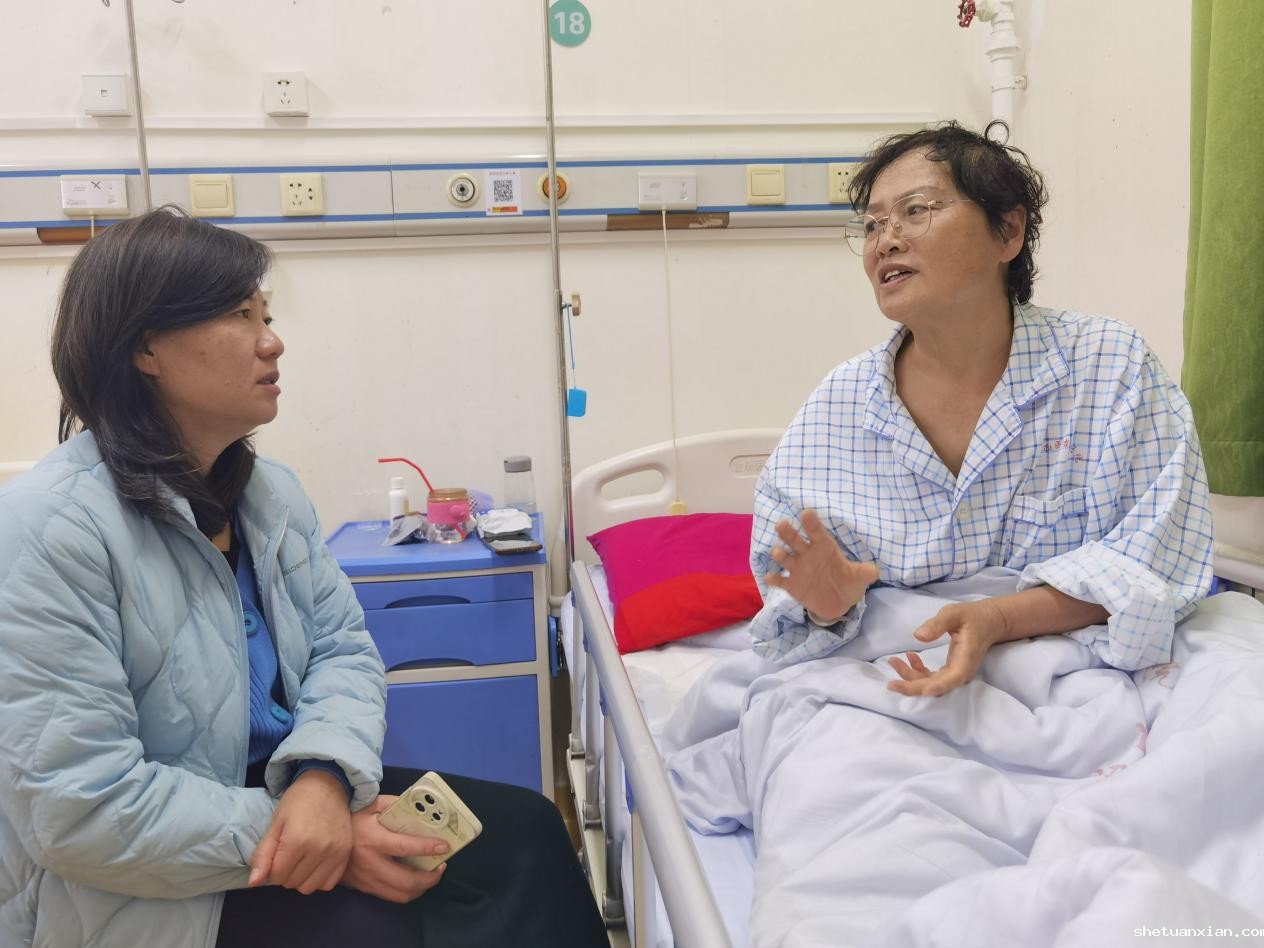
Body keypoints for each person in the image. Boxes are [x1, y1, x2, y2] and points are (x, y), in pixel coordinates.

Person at [0, 208, 608, 948]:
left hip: (288, 794)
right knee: (388, 928)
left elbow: (342, 652)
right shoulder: (47, 530)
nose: (272, 340)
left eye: (267, 314)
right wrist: (322, 841)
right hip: (143, 880)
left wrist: (322, 776)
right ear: (145, 347)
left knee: (528, 832)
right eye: (238, 314)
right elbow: (81, 809)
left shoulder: (268, 496)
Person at [751, 121, 1213, 696]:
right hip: (891, 670)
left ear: (1008, 232)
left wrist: (997, 617)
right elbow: (792, 595)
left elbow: (1158, 558)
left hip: (1088, 664)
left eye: (915, 211)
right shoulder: (837, 408)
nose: (884, 242)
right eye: (872, 225)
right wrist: (828, 604)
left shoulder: (1109, 365)